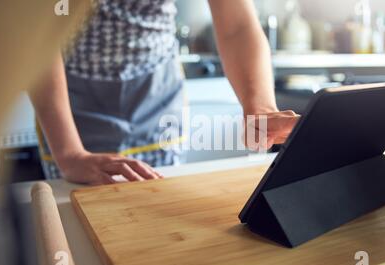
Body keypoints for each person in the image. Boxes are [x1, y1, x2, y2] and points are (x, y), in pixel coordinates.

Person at [30, 0, 300, 185]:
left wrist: (261, 109)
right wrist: (70, 154)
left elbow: (236, 26)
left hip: (157, 98)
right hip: (70, 102)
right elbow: (34, 31)